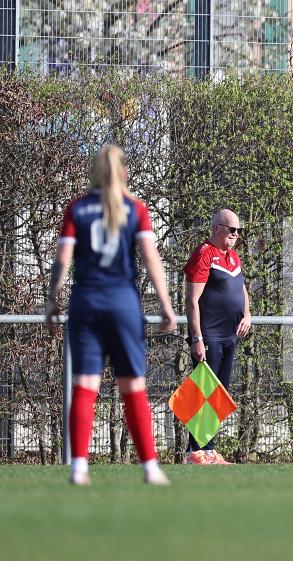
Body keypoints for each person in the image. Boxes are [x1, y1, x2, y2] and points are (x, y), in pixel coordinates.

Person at [44, 144, 177, 486]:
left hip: (85, 303)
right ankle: (149, 467)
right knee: (133, 386)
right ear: (123, 172)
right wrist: (165, 303)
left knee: (85, 385)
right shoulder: (135, 209)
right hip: (122, 304)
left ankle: (78, 468)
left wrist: (52, 297)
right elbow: (150, 259)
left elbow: (63, 259)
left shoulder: (77, 208)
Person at [182, 209, 251, 465]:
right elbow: (192, 301)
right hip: (209, 334)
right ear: (216, 229)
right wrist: (197, 338)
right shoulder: (204, 254)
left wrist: (247, 314)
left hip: (229, 335)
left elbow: (241, 288)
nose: (236, 234)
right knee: (204, 393)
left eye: (238, 230)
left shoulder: (233, 257)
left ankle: (209, 450)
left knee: (219, 395)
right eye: (232, 229)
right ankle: (195, 451)